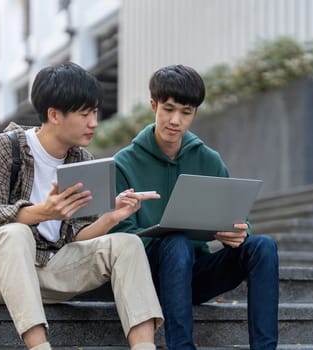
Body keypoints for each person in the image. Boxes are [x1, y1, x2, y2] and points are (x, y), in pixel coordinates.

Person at [0, 63, 164, 350]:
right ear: (54, 114)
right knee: (16, 234)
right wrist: (42, 212)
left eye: (94, 112)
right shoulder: (8, 146)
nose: (94, 122)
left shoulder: (82, 159)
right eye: (84, 114)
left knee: (127, 244)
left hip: (48, 269)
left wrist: (111, 218)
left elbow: (76, 237)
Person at [109, 65, 279, 350]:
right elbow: (121, 239)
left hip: (194, 275)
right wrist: (165, 233)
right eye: (169, 109)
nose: (176, 120)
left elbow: (240, 219)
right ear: (154, 106)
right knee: (175, 241)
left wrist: (238, 232)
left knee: (263, 246)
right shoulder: (124, 163)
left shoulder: (208, 159)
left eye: (186, 112)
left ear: (195, 113)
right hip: (149, 278)